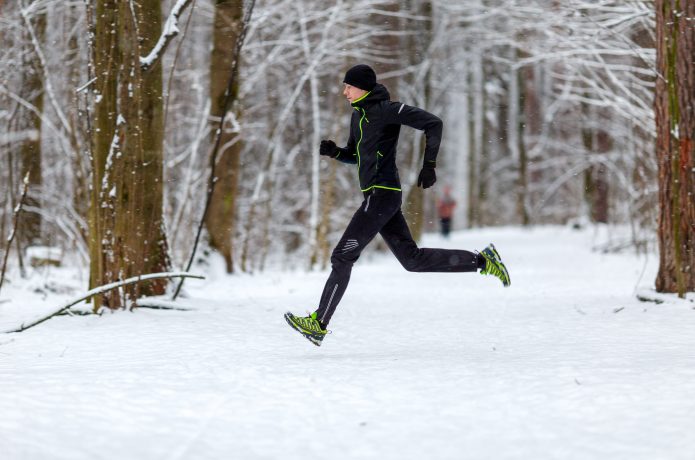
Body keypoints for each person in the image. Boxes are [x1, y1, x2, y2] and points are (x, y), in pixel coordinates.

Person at [284, 64, 510, 346]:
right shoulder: (358, 117)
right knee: (412, 260)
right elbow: (356, 156)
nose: (344, 92)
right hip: (377, 197)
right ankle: (482, 260)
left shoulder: (387, 110)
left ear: (363, 87)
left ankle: (319, 323)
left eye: (348, 86)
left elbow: (433, 123)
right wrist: (336, 153)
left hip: (383, 194)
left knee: (342, 256)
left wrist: (429, 165)